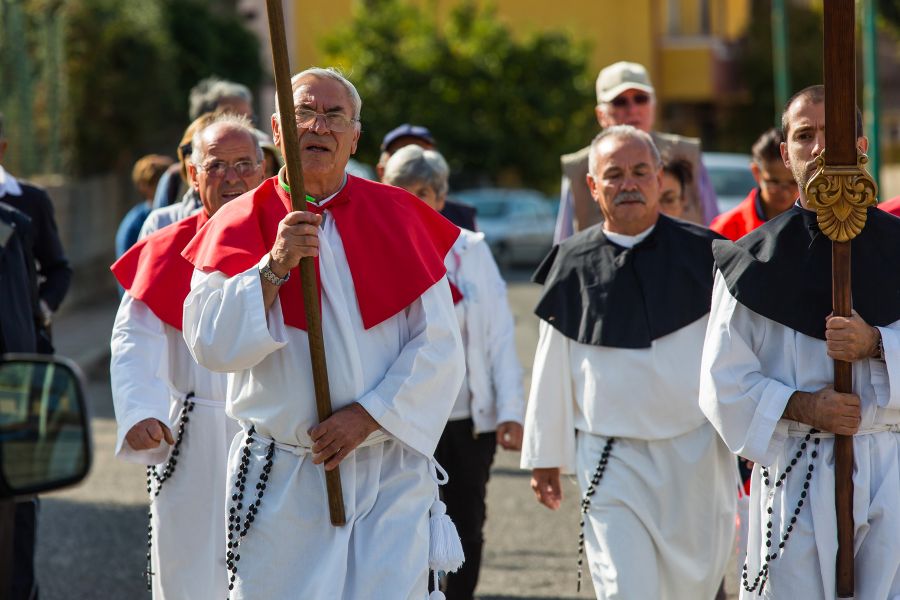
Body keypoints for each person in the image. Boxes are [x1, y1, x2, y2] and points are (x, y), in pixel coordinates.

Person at [180, 67, 465, 599]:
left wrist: (369, 416)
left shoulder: (399, 215)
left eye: (334, 115)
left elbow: (441, 348)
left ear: (355, 135)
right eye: (304, 111)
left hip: (387, 471)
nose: (318, 124)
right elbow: (211, 346)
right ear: (278, 129)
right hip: (287, 475)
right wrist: (273, 267)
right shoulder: (238, 222)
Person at [700, 85, 900, 599]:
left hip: (889, 465)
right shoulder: (750, 262)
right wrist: (805, 405)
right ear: (785, 154)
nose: (817, 148)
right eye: (803, 136)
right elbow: (721, 383)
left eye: (831, 135)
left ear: (860, 147)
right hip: (798, 469)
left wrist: (877, 345)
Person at [523, 125, 736, 599]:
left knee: (695, 589)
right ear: (593, 187)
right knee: (625, 588)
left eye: (641, 171)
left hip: (696, 454)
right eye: (614, 175)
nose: (629, 184)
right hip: (611, 457)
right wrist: (545, 457)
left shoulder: (708, 254)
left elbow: (736, 355)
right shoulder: (570, 262)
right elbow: (551, 365)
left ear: (660, 178)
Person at [110, 113, 264, 599]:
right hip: (191, 436)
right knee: (190, 573)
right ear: (193, 176)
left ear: (265, 171)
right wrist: (142, 410)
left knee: (273, 569)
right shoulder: (166, 248)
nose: (233, 177)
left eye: (244, 164)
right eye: (217, 165)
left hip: (275, 435)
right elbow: (135, 337)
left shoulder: (294, 241)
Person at [383, 144, 524, 600]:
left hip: (466, 418)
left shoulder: (472, 251)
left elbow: (500, 335)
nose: (416, 200)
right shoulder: (378, 251)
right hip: (401, 417)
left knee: (466, 521)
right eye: (405, 191)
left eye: (425, 191)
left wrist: (511, 410)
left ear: (442, 197)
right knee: (404, 522)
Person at [554, 61, 718, 242]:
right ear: (601, 114)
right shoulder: (579, 168)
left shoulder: (686, 155)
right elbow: (564, 245)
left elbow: (714, 223)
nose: (632, 109)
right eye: (620, 102)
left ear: (653, 106)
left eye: (641, 99)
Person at [0, 112, 72, 354]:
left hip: (19, 350)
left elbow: (58, 270)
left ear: (3, 147)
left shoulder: (29, 203)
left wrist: (37, 311)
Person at [377, 123, 478, 231]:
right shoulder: (368, 211)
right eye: (400, 153)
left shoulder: (461, 219)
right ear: (381, 171)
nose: (413, 162)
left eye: (422, 152)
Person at [710, 128, 799, 240]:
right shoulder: (726, 228)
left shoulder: (818, 222)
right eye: (774, 182)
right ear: (756, 172)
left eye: (793, 183)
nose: (784, 193)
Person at [116, 154, 174, 258]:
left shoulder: (178, 212)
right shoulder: (134, 224)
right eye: (159, 182)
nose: (166, 187)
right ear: (144, 186)